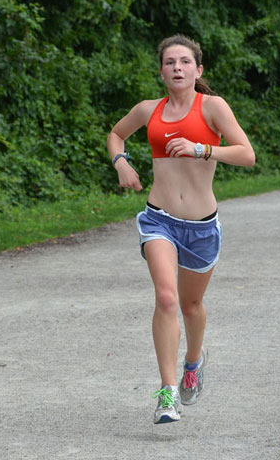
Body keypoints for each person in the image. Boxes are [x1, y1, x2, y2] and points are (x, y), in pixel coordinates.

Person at [106, 34, 255, 424]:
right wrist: (121, 163)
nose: (177, 68)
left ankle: (193, 361)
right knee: (167, 298)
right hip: (160, 219)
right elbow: (116, 134)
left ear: (198, 69)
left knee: (191, 305)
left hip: (202, 227)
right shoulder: (148, 110)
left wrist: (201, 148)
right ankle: (167, 391)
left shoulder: (213, 107)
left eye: (185, 62)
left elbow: (247, 154)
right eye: (170, 62)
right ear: (161, 71)